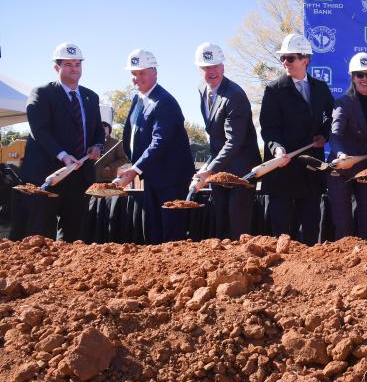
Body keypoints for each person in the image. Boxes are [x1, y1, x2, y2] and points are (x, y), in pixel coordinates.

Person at [17, 43, 104, 241]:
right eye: (68, 64)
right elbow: (40, 130)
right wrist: (63, 155)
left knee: (74, 233)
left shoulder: (91, 96)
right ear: (56, 68)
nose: (74, 69)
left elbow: (98, 129)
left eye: (77, 64)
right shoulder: (41, 93)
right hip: (48, 176)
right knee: (40, 235)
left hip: (80, 176)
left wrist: (97, 145)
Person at [259, 33, 334, 244]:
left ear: (305, 59)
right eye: (282, 58)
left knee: (310, 228)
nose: (285, 62)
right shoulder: (274, 90)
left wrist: (324, 135)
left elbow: (331, 116)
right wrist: (277, 149)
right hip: (283, 170)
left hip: (310, 170)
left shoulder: (320, 88)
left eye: (290, 58)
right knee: (281, 231)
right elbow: (268, 128)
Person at [114, 49, 195, 244]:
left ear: (154, 72)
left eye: (142, 72)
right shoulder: (138, 99)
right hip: (152, 177)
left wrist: (135, 169)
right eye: (133, 74)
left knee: (171, 235)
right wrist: (132, 164)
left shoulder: (164, 101)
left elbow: (160, 141)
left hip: (171, 180)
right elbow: (132, 136)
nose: (136, 78)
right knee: (154, 232)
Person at [192, 42, 261, 240]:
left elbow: (234, 141)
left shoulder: (234, 96)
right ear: (200, 69)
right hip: (219, 168)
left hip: (241, 170)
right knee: (219, 220)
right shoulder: (202, 90)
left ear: (223, 66)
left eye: (215, 66)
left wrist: (210, 169)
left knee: (237, 224)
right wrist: (208, 166)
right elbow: (215, 137)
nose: (211, 71)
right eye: (206, 67)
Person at [328, 52, 367, 241]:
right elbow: (334, 135)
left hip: (366, 168)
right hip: (341, 170)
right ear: (352, 77)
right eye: (360, 75)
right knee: (343, 224)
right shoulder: (343, 103)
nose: (365, 79)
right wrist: (341, 154)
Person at [94, 105, 128, 183]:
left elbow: (123, 159)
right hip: (92, 179)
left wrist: (110, 167)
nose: (102, 130)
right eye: (100, 128)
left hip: (108, 179)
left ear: (109, 130)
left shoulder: (116, 143)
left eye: (105, 128)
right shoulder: (91, 143)